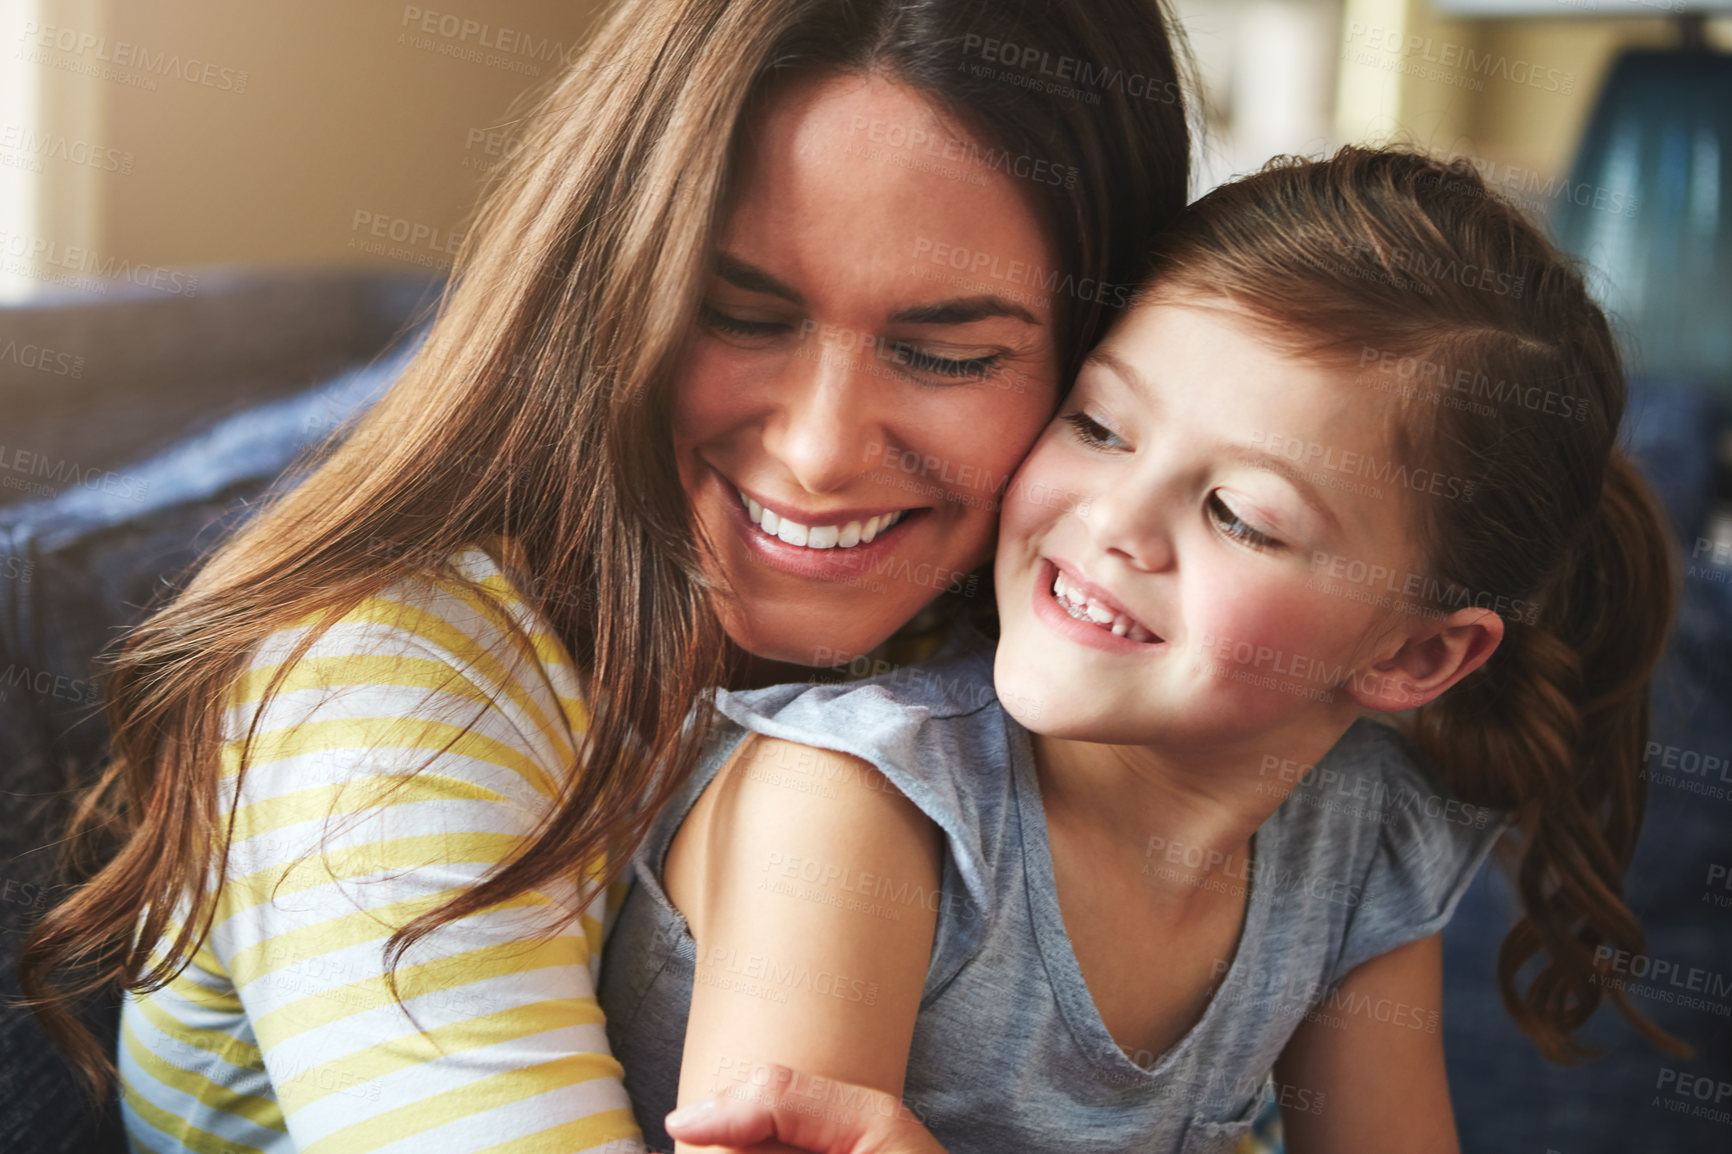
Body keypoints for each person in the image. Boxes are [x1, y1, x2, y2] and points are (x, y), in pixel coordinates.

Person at [18, 1, 1199, 1151]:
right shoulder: (389, 696)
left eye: (944, 353)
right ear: (601, 294)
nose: (821, 448)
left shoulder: (1028, 643)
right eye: (739, 314)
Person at [597, 146, 1687, 1154]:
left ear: (1414, 656)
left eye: (1240, 515)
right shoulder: (857, 804)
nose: (1115, 517)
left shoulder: (1357, 849)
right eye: (1101, 426)